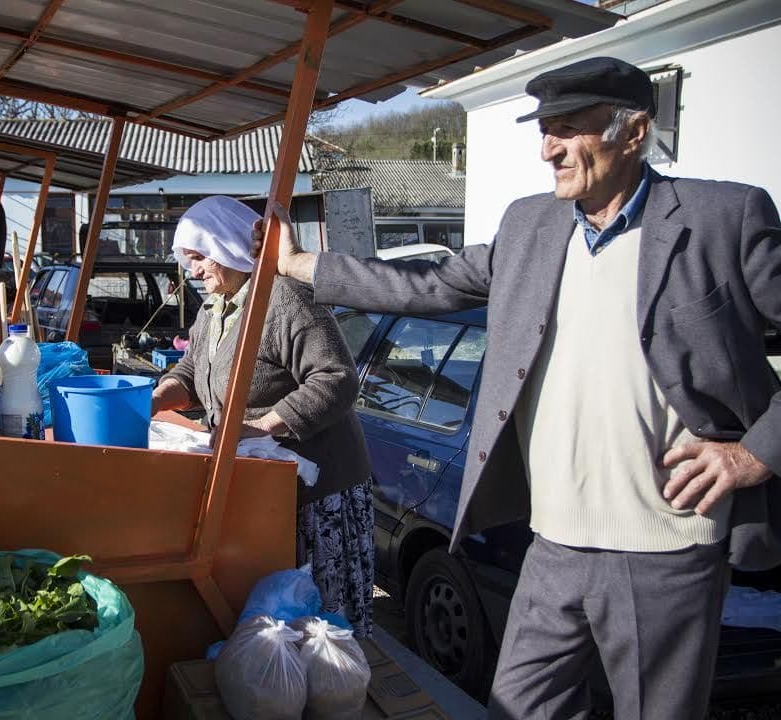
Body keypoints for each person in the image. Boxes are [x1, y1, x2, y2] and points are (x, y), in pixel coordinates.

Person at [258, 57, 780, 719]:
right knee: (518, 706)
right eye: (544, 130)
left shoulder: (723, 219)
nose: (547, 149)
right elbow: (429, 285)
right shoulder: (530, 224)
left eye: (568, 130)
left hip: (666, 548)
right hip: (553, 542)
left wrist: (752, 453)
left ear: (634, 132)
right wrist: (298, 263)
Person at [151, 195, 376, 635]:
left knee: (320, 624)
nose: (193, 272)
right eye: (189, 261)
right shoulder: (217, 306)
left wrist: (262, 426)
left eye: (199, 259)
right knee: (280, 620)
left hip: (318, 492)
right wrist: (154, 398)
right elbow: (193, 369)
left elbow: (337, 378)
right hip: (265, 486)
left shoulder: (284, 297)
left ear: (227, 247)